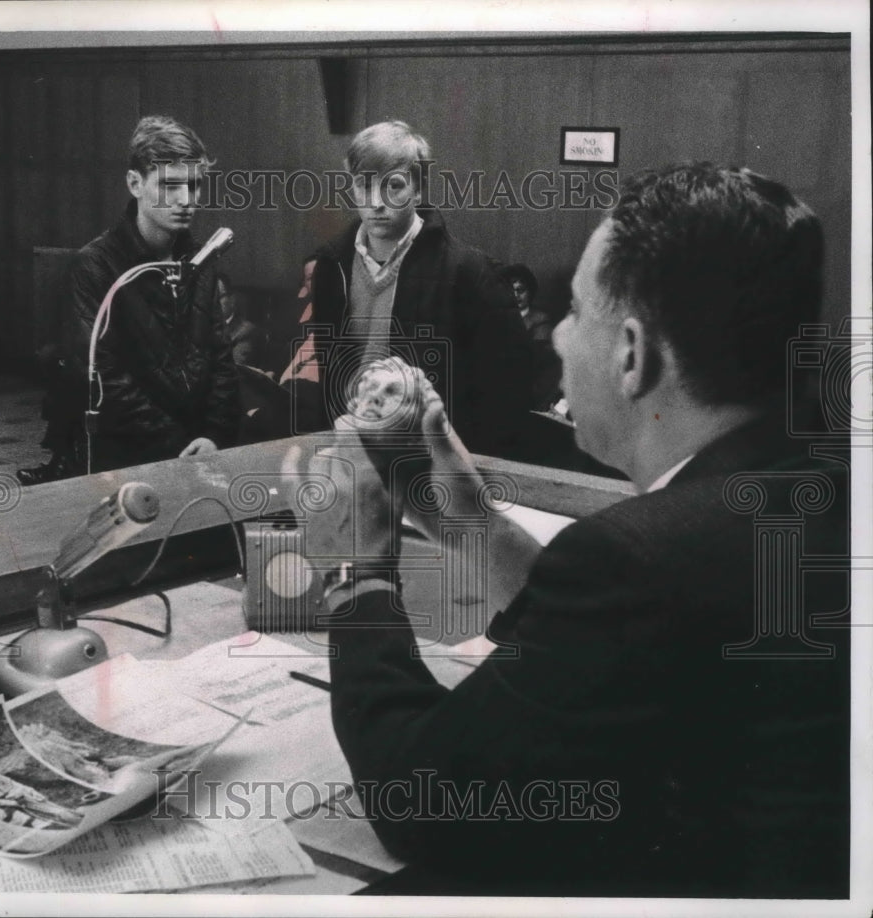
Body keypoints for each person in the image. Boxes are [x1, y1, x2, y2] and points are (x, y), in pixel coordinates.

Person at [287, 163, 850, 897]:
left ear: (632, 354)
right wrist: (463, 518)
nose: (554, 335)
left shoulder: (641, 557)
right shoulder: (808, 492)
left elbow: (426, 802)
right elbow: (609, 649)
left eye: (577, 311)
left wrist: (355, 572)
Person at [23, 115, 240, 478]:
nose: (186, 200)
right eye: (170, 185)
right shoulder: (94, 266)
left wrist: (213, 433)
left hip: (197, 449)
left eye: (194, 185)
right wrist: (176, 443)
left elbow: (219, 356)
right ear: (134, 183)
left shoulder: (200, 259)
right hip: (128, 455)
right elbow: (103, 377)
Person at [306, 120, 534, 459]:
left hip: (433, 460)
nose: (376, 203)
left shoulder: (470, 271)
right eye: (364, 185)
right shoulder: (330, 264)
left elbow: (505, 394)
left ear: (419, 189)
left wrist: (457, 468)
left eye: (394, 186)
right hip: (354, 448)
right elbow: (329, 373)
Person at [500, 262, 562, 411]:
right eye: (512, 290)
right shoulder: (500, 317)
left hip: (527, 391)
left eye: (521, 290)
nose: (516, 295)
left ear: (530, 292)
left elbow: (539, 365)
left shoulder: (540, 321)